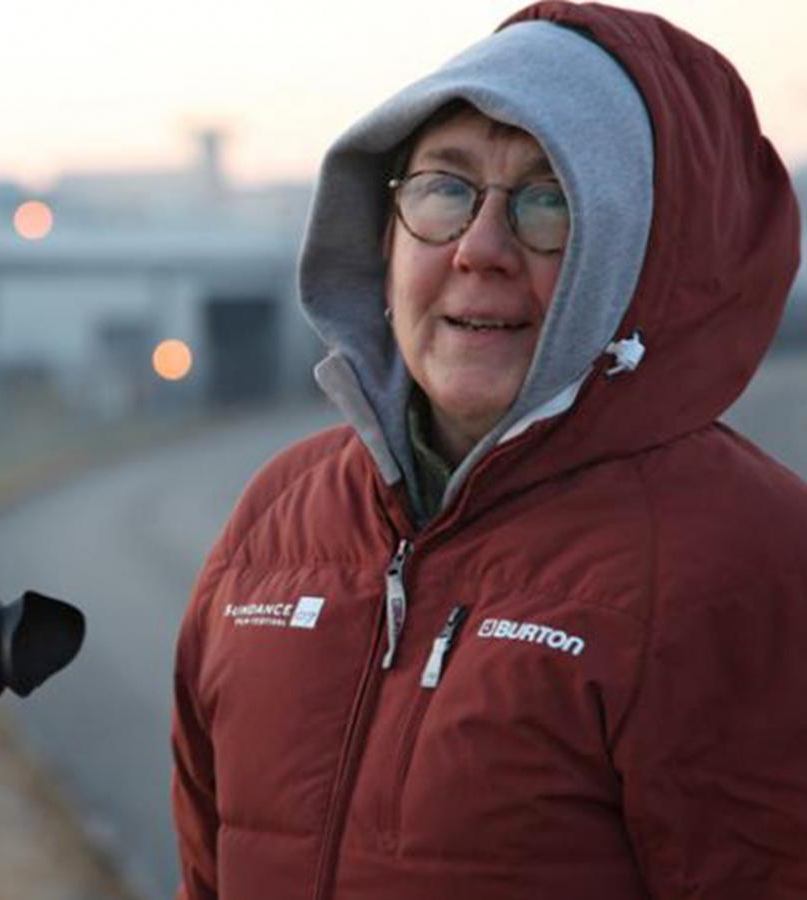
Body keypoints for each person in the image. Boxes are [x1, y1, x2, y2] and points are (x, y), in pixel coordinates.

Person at [170, 3, 806, 899]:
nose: (481, 250)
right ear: (383, 232)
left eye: (551, 200)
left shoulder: (748, 562)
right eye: (445, 188)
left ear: (641, 258)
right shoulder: (277, 521)